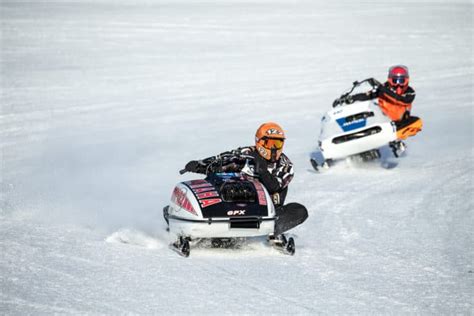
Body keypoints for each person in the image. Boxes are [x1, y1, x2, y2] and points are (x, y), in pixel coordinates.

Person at [183, 122, 308, 237]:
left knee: (300, 211)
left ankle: (270, 232)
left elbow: (274, 187)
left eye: (278, 143)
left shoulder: (285, 166)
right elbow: (221, 160)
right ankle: (205, 221)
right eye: (269, 143)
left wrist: (262, 170)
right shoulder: (245, 154)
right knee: (216, 178)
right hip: (232, 207)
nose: (274, 148)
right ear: (259, 142)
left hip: (267, 213)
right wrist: (199, 165)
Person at [334, 65, 423, 156]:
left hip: (399, 123)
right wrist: (351, 98)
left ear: (406, 81)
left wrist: (383, 89)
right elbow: (368, 95)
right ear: (390, 80)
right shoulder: (384, 88)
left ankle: (396, 141)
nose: (398, 85)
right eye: (395, 81)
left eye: (401, 81)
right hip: (382, 120)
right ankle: (352, 142)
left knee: (417, 122)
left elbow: (401, 100)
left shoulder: (410, 92)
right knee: (365, 111)